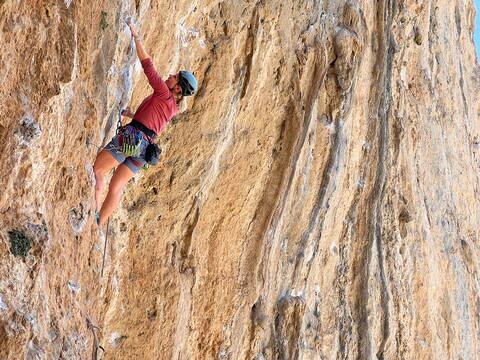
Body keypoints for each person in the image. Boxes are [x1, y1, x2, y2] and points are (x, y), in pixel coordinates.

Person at [93, 21, 198, 226]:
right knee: (116, 187)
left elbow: (148, 66)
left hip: (131, 139)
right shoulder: (172, 107)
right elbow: (151, 123)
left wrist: (136, 36)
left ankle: (92, 213)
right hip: (144, 150)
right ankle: (99, 222)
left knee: (98, 171)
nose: (170, 76)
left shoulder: (163, 93)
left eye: (174, 77)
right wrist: (132, 113)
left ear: (178, 89)